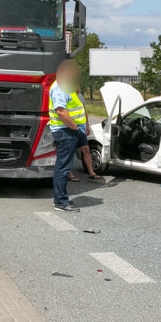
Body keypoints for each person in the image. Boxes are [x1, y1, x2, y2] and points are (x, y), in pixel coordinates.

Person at [48, 60, 88, 212]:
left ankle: (60, 200)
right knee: (63, 168)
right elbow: (61, 111)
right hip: (66, 131)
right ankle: (61, 203)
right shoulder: (59, 87)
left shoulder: (66, 86)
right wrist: (75, 128)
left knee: (63, 166)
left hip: (68, 130)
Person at [67, 89, 103, 181]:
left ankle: (91, 172)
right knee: (70, 151)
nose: (78, 87)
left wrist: (87, 125)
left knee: (86, 149)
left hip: (81, 128)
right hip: (70, 128)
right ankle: (68, 172)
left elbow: (84, 111)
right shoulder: (67, 95)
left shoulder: (81, 96)